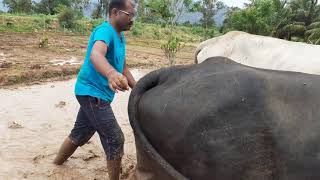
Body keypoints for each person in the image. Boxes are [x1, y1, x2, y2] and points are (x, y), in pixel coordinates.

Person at [53, 0, 136, 179]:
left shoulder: (120, 37)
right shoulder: (105, 31)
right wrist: (110, 73)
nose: (133, 20)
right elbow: (96, 54)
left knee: (80, 133)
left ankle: (55, 166)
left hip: (95, 94)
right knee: (115, 139)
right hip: (92, 92)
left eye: (134, 16)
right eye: (130, 15)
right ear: (115, 12)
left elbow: (122, 66)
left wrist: (137, 88)